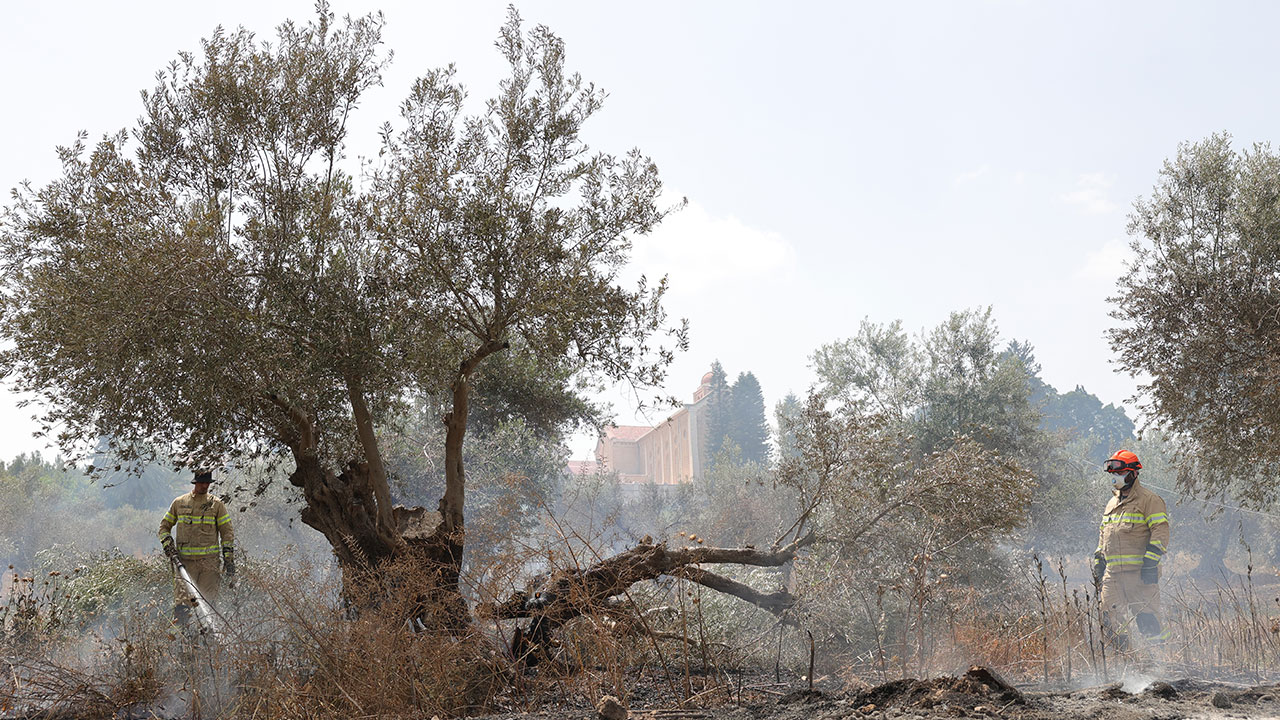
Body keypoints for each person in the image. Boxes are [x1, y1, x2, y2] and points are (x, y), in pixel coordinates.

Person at [1092, 449, 1170, 648]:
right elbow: (1104, 533)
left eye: (1120, 472)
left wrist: (1151, 562)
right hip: (1113, 576)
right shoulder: (1111, 503)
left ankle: (1160, 658)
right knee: (1109, 619)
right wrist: (1099, 560)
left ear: (1134, 473)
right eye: (1114, 473)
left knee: (1148, 620)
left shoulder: (1149, 500)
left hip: (1140, 575)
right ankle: (1125, 658)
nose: (1116, 477)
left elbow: (1160, 531)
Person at [158, 470, 235, 626]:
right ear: (195, 483)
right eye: (202, 483)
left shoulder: (216, 504)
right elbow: (164, 527)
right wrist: (168, 544)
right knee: (182, 606)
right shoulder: (179, 503)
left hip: (209, 566)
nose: (205, 486)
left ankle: (209, 636)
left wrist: (229, 559)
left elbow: (227, 532)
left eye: (207, 483)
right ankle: (183, 636)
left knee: (209, 603)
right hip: (185, 565)